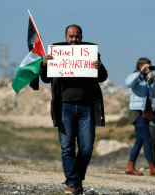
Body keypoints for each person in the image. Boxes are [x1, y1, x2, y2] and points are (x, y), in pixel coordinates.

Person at [40, 24, 108, 194]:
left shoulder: (90, 52)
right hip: (65, 108)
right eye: (71, 36)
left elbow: (103, 77)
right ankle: (73, 183)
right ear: (65, 38)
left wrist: (100, 66)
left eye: (77, 36)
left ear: (81, 37)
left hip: (87, 108)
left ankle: (76, 179)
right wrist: (44, 64)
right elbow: (45, 79)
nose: (74, 39)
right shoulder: (56, 53)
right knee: (67, 147)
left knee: (86, 149)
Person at [125, 57, 155, 176]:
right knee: (148, 139)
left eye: (149, 66)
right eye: (146, 66)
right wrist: (140, 72)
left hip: (146, 112)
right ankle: (152, 167)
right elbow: (128, 83)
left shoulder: (148, 79)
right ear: (140, 66)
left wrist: (151, 81)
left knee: (139, 141)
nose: (148, 69)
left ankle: (130, 167)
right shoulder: (135, 76)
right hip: (137, 112)